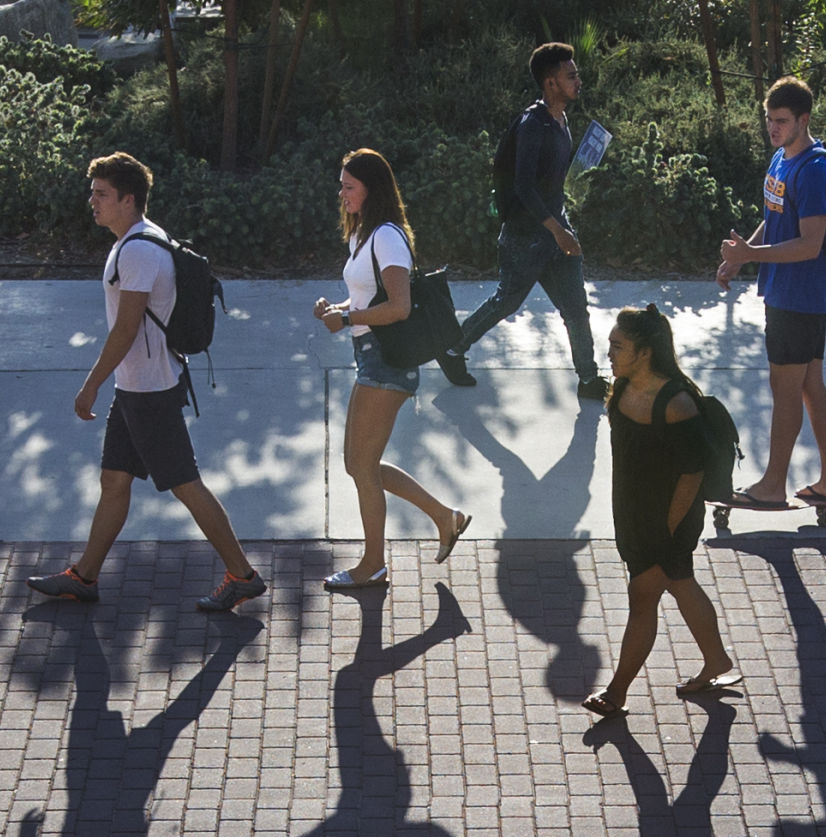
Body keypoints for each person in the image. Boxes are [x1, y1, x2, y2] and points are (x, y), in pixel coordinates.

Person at [26, 152, 266, 612]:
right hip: (139, 386)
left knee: (186, 484)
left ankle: (243, 575)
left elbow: (127, 328)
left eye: (101, 194)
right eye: (92, 192)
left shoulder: (137, 250)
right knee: (115, 480)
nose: (91, 201)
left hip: (149, 391)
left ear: (128, 199)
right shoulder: (143, 239)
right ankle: (85, 576)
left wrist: (91, 383)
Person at [314, 148, 470, 591]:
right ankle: (446, 517)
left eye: (348, 186)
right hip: (373, 356)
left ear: (371, 189)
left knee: (360, 465)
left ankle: (373, 564)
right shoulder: (362, 235)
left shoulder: (387, 236)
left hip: (389, 360)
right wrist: (338, 307)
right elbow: (368, 299)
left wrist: (345, 320)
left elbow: (399, 307)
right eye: (341, 184)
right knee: (360, 463)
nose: (340, 192)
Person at [583, 305, 740, 719]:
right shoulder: (621, 388)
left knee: (642, 596)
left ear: (645, 352)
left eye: (618, 346)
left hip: (671, 520)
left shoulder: (676, 404)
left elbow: (692, 474)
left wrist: (667, 534)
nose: (610, 353)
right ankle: (717, 661)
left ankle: (616, 693)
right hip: (634, 515)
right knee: (682, 584)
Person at [434, 42, 609, 401]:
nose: (579, 80)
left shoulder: (562, 120)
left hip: (556, 230)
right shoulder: (533, 125)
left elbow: (550, 181)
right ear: (550, 83)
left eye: (577, 74)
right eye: (571, 75)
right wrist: (557, 230)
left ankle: (589, 380)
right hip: (525, 236)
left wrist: (567, 209)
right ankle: (451, 350)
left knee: (576, 307)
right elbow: (524, 187)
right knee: (506, 302)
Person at [716, 76, 826, 512]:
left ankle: (773, 485)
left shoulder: (813, 171)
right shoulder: (781, 159)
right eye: (769, 120)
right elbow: (774, 218)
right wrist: (742, 258)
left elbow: (811, 244)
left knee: (787, 389)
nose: (773, 129)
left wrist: (751, 253)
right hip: (787, 293)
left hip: (800, 296)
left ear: (803, 120)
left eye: (781, 121)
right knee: (811, 386)